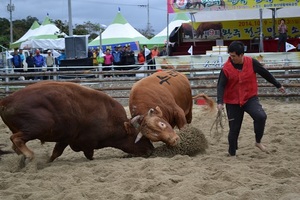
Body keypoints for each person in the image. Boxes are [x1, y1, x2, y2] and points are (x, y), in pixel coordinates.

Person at [216, 41, 286, 156]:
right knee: (234, 130)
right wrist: (220, 102)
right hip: (233, 101)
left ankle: (258, 142)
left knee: (261, 116)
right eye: (230, 55)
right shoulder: (226, 68)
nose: (231, 58)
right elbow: (221, 85)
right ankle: (232, 153)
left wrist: (278, 85)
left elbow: (265, 73)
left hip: (249, 98)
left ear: (241, 55)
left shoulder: (252, 62)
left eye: (233, 56)